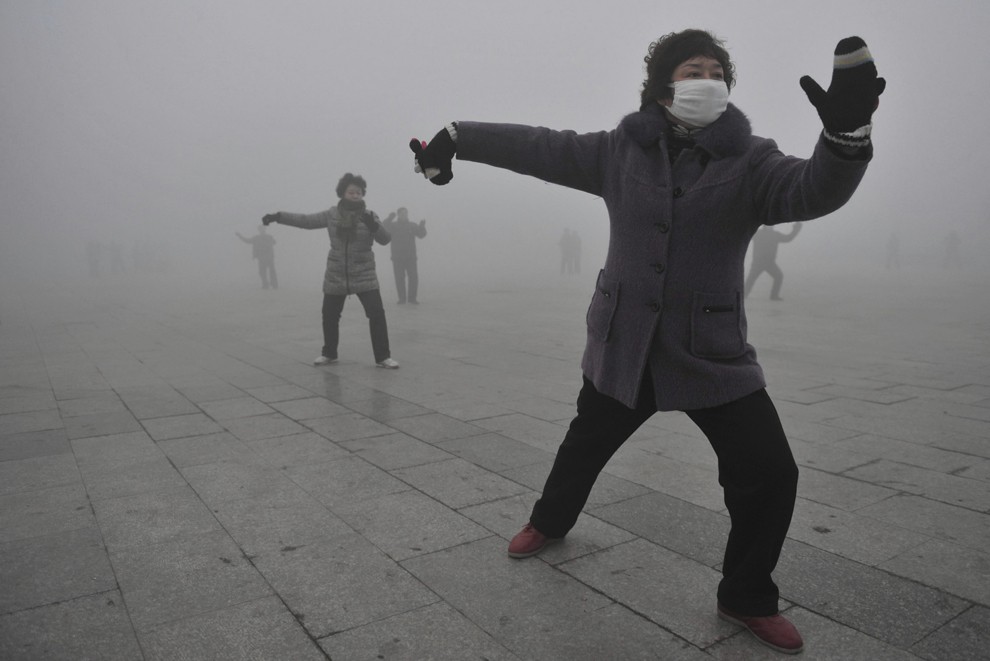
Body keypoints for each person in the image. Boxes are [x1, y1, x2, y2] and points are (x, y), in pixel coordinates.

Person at [410, 30, 884, 655]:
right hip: (623, 341)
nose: (707, 77)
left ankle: (745, 595)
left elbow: (813, 190)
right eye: (693, 68)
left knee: (770, 472)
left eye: (717, 70)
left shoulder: (752, 160)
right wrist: (459, 135)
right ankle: (549, 522)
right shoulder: (618, 152)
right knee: (584, 445)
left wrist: (846, 136)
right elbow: (540, 146)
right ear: (665, 85)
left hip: (709, 351)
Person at [262, 173, 399, 368]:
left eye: (358, 192)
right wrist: (279, 217)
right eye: (351, 192)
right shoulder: (331, 214)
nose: (355, 195)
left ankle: (383, 357)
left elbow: (385, 239)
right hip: (336, 273)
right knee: (330, 315)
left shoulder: (370, 215)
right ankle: (329, 353)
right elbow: (306, 221)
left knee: (376, 313)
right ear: (342, 193)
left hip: (364, 273)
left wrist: (374, 227)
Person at [743, 223, 803, 300]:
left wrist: (795, 230)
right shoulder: (758, 234)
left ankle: (774, 296)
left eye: (772, 225)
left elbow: (788, 238)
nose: (771, 226)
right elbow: (746, 235)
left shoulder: (773, 235)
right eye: (769, 225)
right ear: (764, 226)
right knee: (751, 279)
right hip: (758, 262)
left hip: (769, 263)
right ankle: (744, 295)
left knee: (779, 276)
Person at [382, 207, 427, 304]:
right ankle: (402, 299)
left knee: (413, 278)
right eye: (402, 213)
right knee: (399, 278)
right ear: (398, 215)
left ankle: (412, 299)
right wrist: (390, 218)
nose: (404, 215)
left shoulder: (412, 225)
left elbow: (421, 235)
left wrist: (422, 226)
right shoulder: (393, 226)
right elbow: (383, 227)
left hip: (411, 257)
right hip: (397, 258)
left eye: (406, 213)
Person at [236, 225, 278, 289]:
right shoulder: (264, 237)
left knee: (266, 272)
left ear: (264, 229)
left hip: (266, 257)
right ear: (260, 230)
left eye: (262, 229)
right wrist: (240, 236)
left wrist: (240, 236)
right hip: (265, 257)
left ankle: (269, 285)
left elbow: (274, 242)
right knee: (264, 272)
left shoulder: (261, 238)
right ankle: (269, 285)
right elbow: (274, 242)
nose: (262, 230)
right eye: (261, 229)